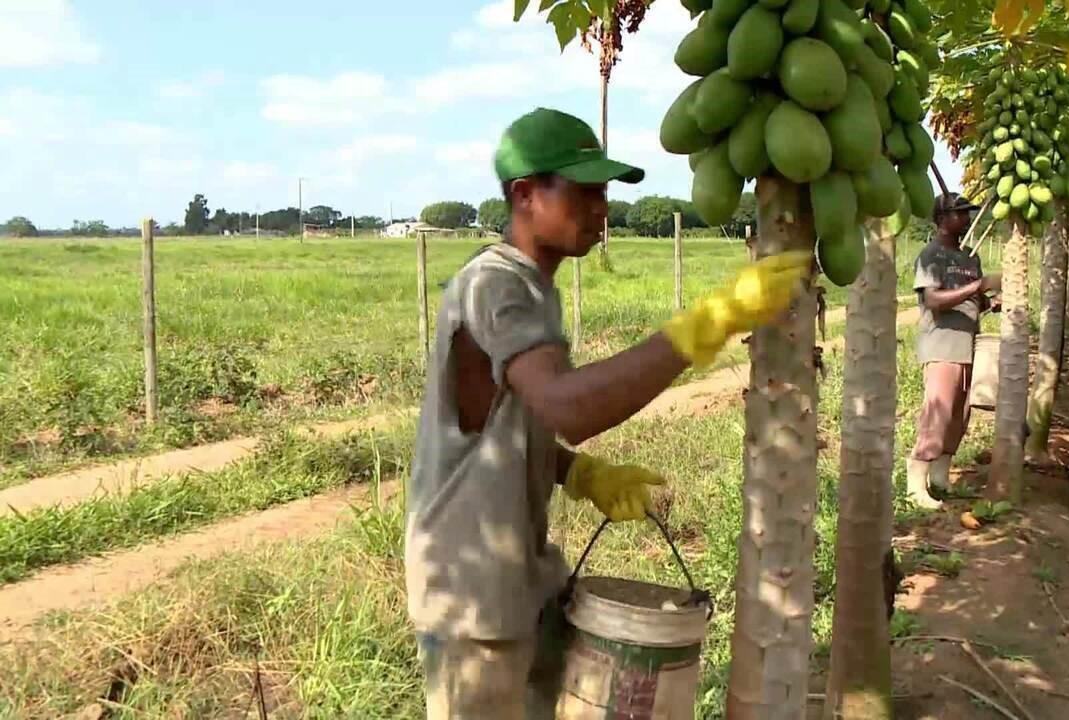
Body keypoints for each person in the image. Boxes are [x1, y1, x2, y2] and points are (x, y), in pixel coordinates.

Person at [404, 107, 811, 719]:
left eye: (605, 193)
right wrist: (705, 325)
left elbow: (497, 427)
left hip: (519, 582)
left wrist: (577, 473)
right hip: (473, 599)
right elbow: (568, 407)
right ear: (525, 195)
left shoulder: (533, 288)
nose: (603, 208)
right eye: (585, 191)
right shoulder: (495, 284)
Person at [906, 193, 1001, 510]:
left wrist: (991, 302)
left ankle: (940, 479)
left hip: (969, 346)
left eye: (967, 213)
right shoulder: (930, 257)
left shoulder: (969, 259)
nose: (966, 219)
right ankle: (915, 483)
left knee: (960, 416)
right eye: (960, 214)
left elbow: (975, 300)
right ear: (942, 219)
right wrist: (978, 287)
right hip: (942, 346)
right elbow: (933, 301)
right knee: (938, 413)